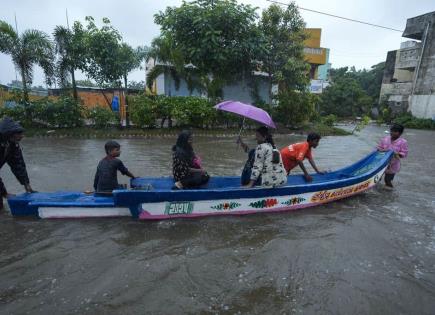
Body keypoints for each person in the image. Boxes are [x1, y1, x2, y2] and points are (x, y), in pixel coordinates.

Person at [0, 117, 35, 210]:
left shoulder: (12, 144)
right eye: (19, 133)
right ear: (10, 134)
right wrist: (4, 193)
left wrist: (26, 184)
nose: (22, 136)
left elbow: (18, 164)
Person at [377, 123, 408, 188]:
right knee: (377, 178)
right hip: (381, 163)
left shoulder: (403, 142)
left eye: (395, 131)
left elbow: (404, 153)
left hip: (392, 165)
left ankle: (390, 192)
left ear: (400, 133)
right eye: (391, 131)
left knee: (387, 180)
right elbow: (379, 148)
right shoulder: (385, 139)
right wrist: (380, 150)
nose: (392, 133)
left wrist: (397, 154)